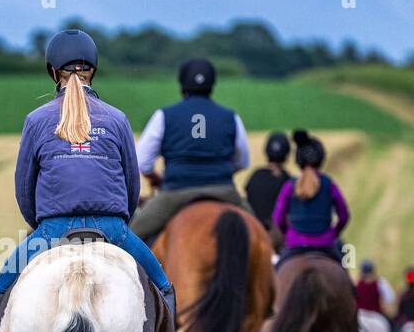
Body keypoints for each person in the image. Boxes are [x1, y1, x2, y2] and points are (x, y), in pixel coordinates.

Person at [0, 29, 192, 332]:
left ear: (51, 71)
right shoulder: (118, 119)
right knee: (162, 286)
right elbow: (131, 185)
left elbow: (25, 188)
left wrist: (42, 225)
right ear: (94, 69)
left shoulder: (37, 120)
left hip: (53, 229)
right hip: (112, 228)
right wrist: (117, 220)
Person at [130, 58, 251, 243]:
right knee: (260, 235)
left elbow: (142, 162)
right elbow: (243, 161)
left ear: (182, 86)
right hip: (223, 191)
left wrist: (156, 178)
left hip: (176, 191)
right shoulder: (231, 117)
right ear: (212, 85)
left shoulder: (164, 115)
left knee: (132, 237)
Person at [271, 129, 350, 266]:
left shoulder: (290, 186)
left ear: (298, 160)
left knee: (278, 276)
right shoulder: (329, 185)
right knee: (346, 271)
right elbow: (344, 215)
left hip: (295, 244)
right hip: (325, 244)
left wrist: (289, 233)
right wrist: (333, 233)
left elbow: (277, 217)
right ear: (321, 159)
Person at [245, 132, 292, 233]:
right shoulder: (288, 180)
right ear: (287, 155)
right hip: (278, 238)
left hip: (255, 233)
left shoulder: (255, 175)